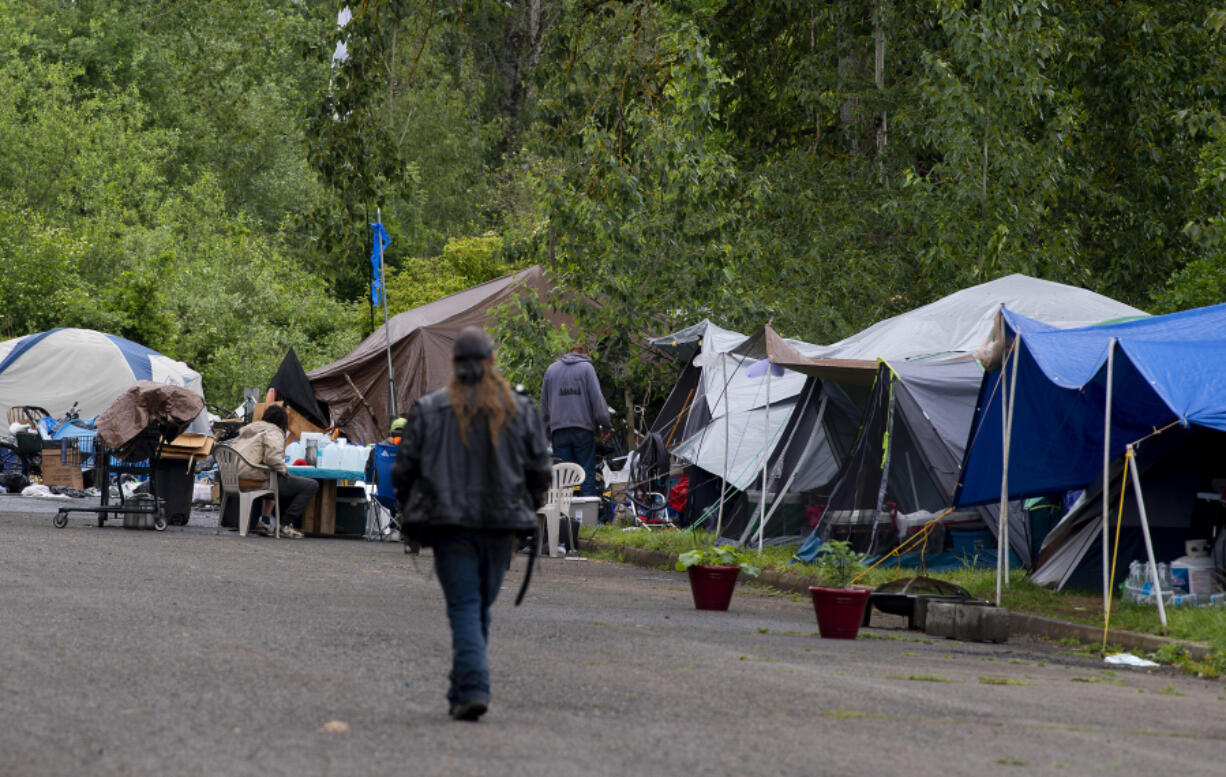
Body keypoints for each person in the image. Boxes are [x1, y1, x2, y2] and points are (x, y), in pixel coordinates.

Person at [393, 326, 550, 722]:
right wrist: (526, 511)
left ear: (452, 364)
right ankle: (461, 691)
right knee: (477, 606)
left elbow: (404, 470)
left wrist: (412, 505)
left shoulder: (429, 409)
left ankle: (474, 688)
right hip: (502, 528)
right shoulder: (519, 409)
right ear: (492, 361)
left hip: (450, 526)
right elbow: (540, 471)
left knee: (466, 606)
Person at [229, 404, 318, 539]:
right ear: (282, 422)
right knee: (310, 485)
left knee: (275, 477)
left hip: (233, 479)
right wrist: (284, 470)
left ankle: (264, 521)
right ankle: (285, 524)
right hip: (254, 480)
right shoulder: (273, 432)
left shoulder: (247, 431)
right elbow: (272, 459)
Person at [540, 342, 611, 496]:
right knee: (586, 472)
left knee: (563, 476)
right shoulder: (587, 368)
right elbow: (597, 400)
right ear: (586, 354)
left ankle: (563, 516)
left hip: (559, 431)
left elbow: (544, 405)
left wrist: (546, 433)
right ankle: (587, 515)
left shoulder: (551, 370)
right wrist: (606, 426)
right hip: (583, 430)